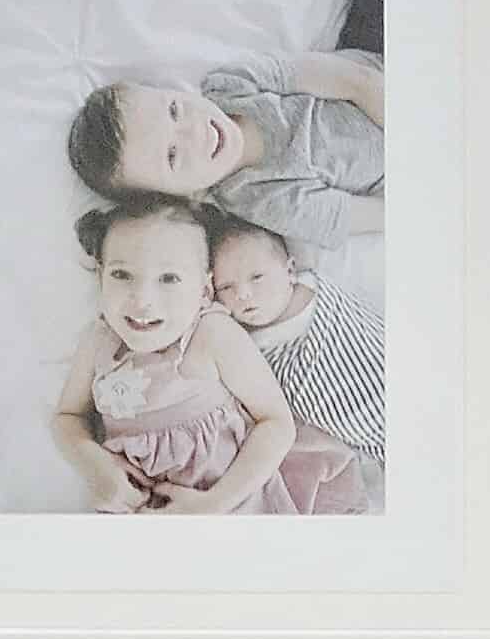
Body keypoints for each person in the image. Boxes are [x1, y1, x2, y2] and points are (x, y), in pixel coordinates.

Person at [50, 197, 360, 521]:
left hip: (235, 501)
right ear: (100, 276)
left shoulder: (210, 334)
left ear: (204, 289)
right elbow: (68, 416)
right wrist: (93, 463)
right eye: (121, 274)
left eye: (169, 278)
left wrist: (214, 504)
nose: (142, 299)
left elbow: (277, 423)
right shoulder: (99, 340)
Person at [64, 48, 384, 258]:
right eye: (172, 156)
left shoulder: (232, 84)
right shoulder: (260, 200)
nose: (194, 133)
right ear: (184, 195)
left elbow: (357, 79)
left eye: (174, 111)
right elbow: (377, 214)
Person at [209, 219, 385, 477]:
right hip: (366, 434)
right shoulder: (242, 345)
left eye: (256, 277)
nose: (243, 293)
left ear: (290, 270)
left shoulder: (318, 285)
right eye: (225, 287)